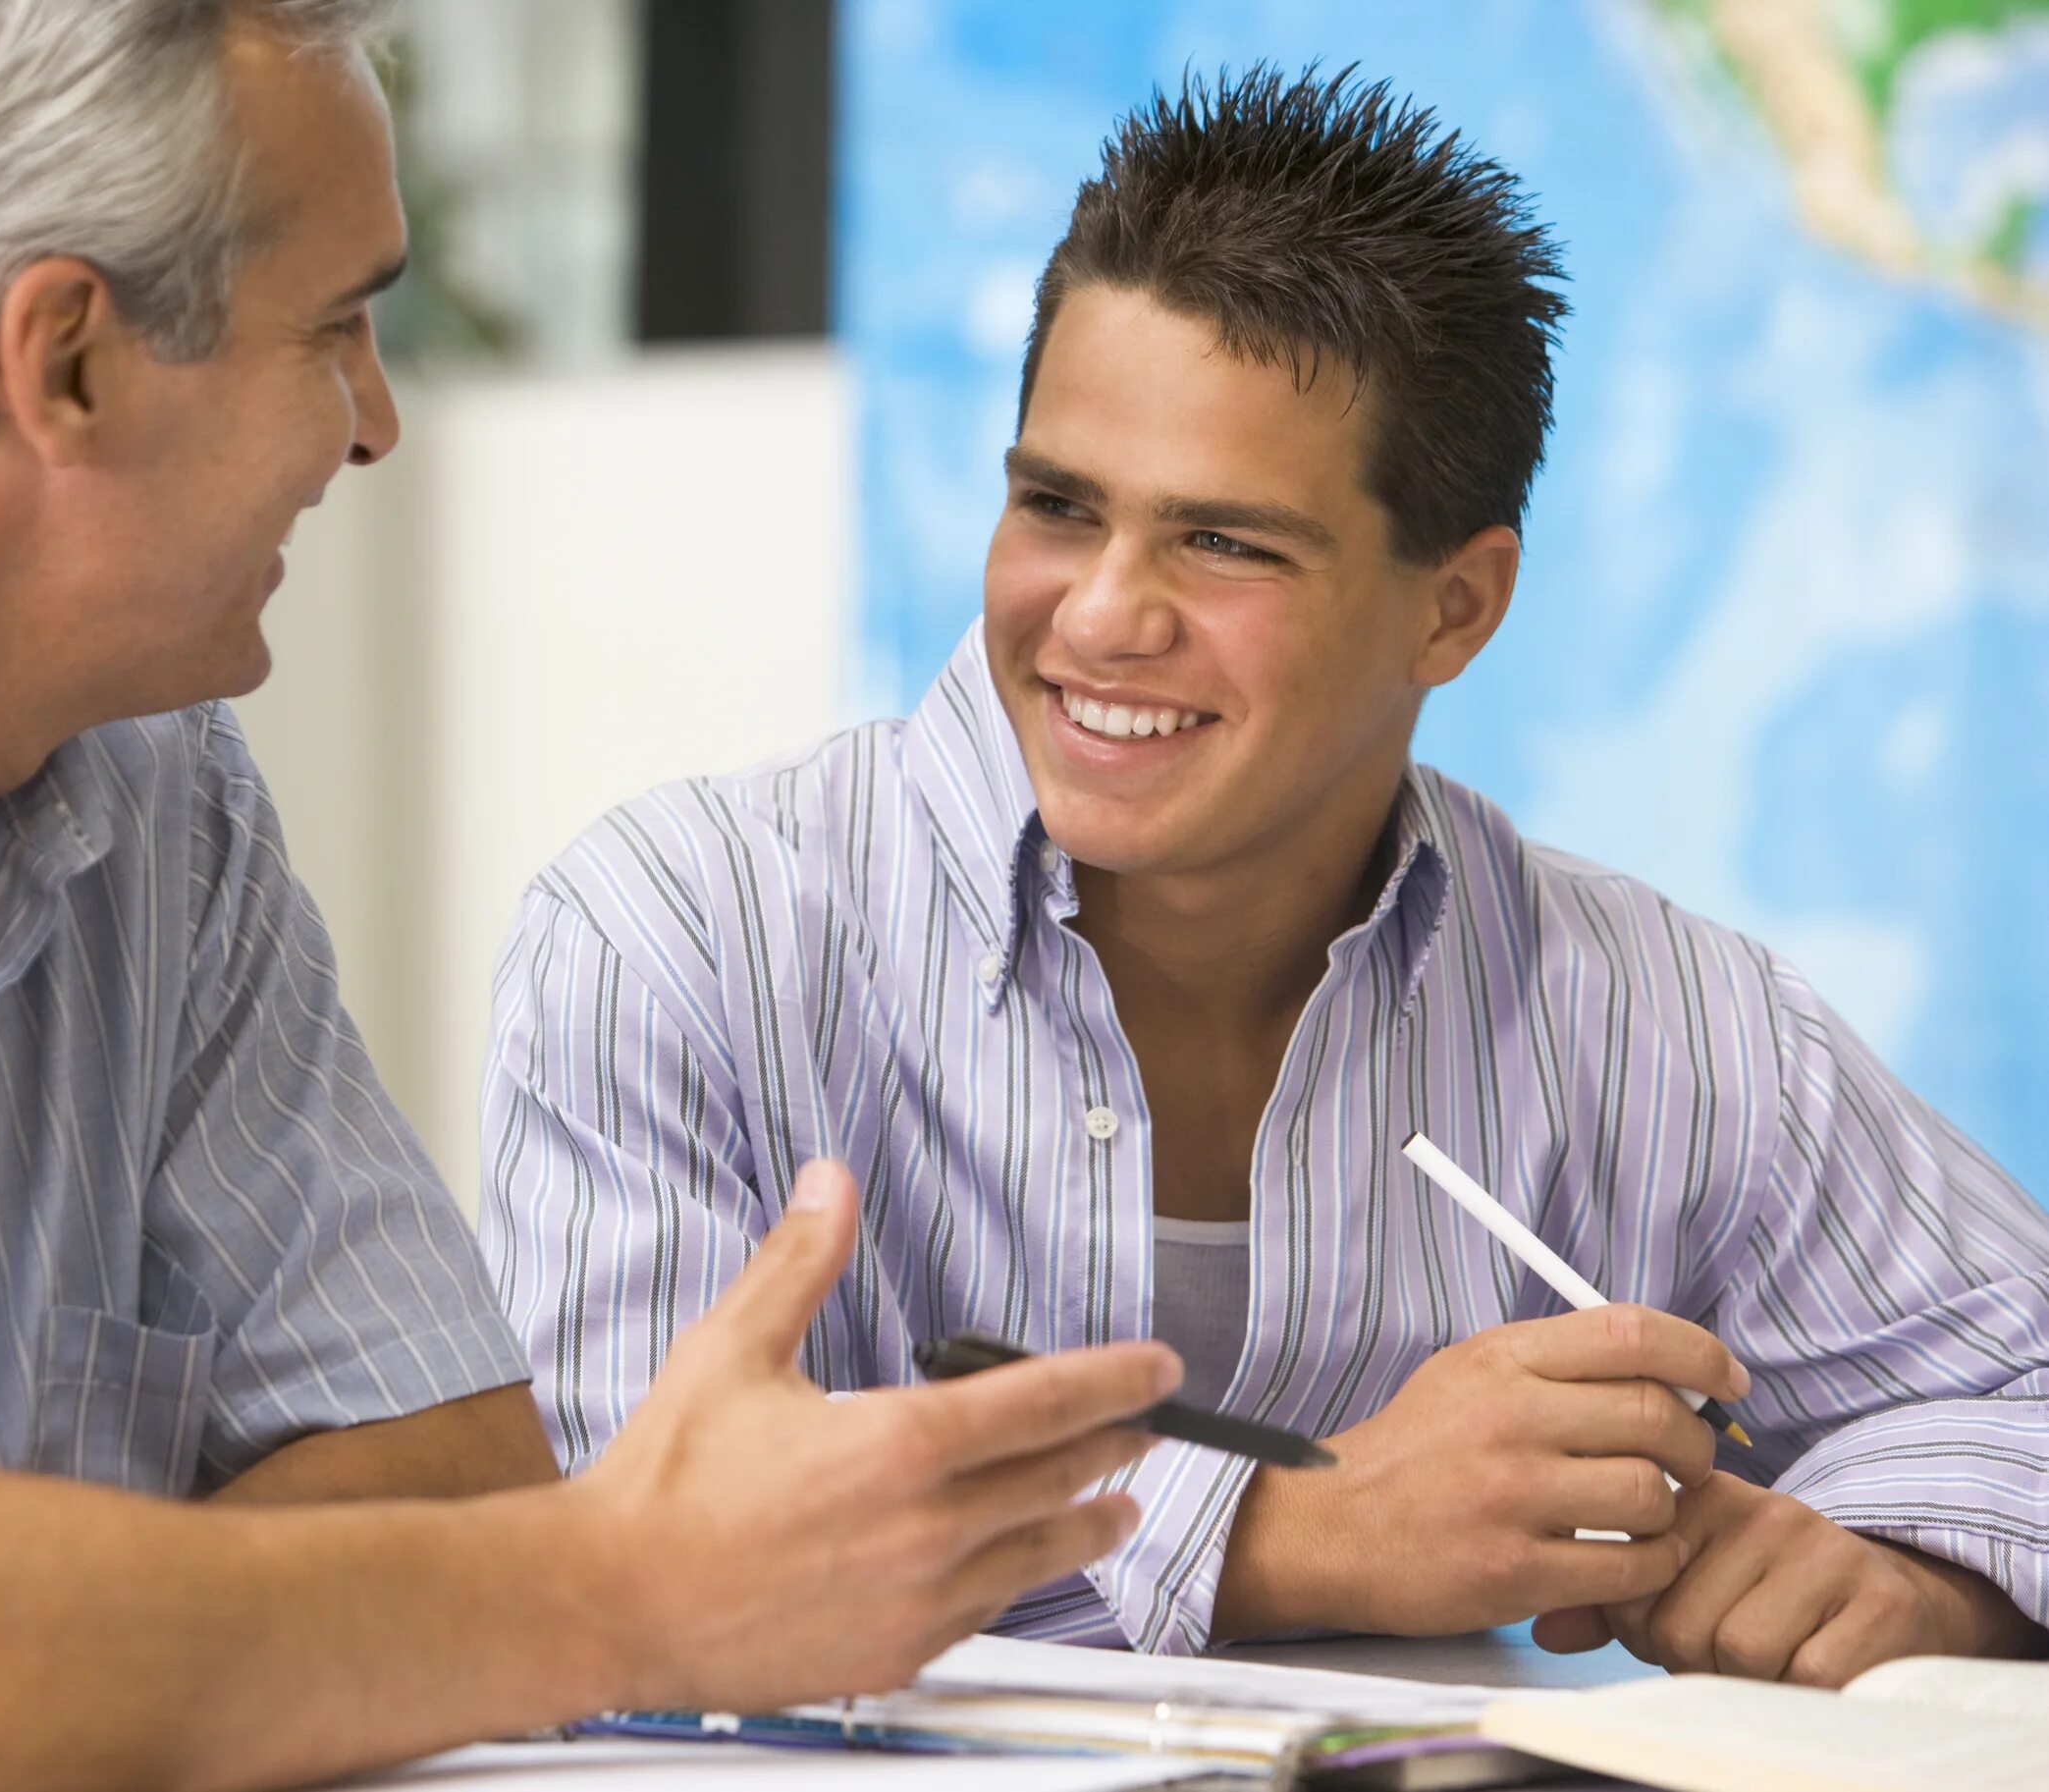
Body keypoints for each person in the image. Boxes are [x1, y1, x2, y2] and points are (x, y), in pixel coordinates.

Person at [0, 4, 1188, 1788]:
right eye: (336, 328)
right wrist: (623, 1586)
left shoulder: (153, 791)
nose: (376, 423)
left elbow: (443, 1455)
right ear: (63, 359)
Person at [481, 65, 2049, 1684]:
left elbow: (2026, 1389)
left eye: (1223, 543)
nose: (1098, 615)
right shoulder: (668, 935)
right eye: (1054, 505)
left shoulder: (1660, 1017)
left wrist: (1908, 1580)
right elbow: (614, 1552)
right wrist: (1295, 1529)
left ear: (1453, 608)